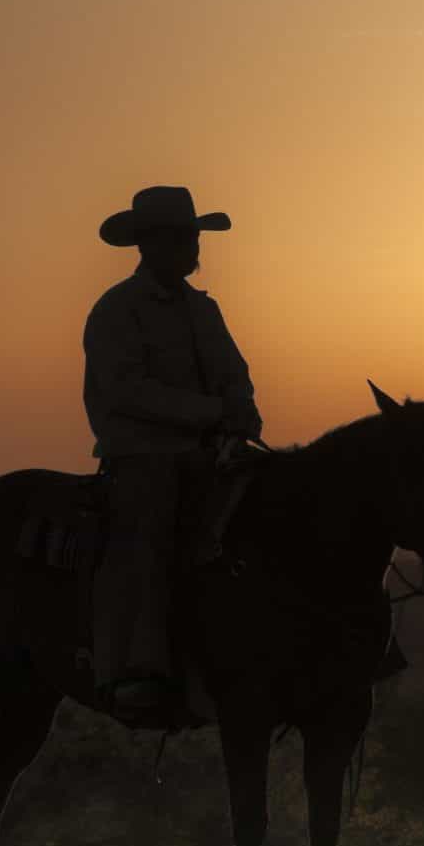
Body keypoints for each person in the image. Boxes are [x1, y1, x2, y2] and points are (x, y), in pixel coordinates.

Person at [82, 185, 261, 718]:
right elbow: (125, 390)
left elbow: (236, 374)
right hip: (143, 455)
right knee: (150, 531)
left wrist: (243, 413)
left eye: (194, 237)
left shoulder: (205, 311)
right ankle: (139, 667)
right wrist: (211, 414)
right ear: (150, 244)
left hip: (213, 452)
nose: (194, 247)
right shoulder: (117, 311)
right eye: (184, 238)